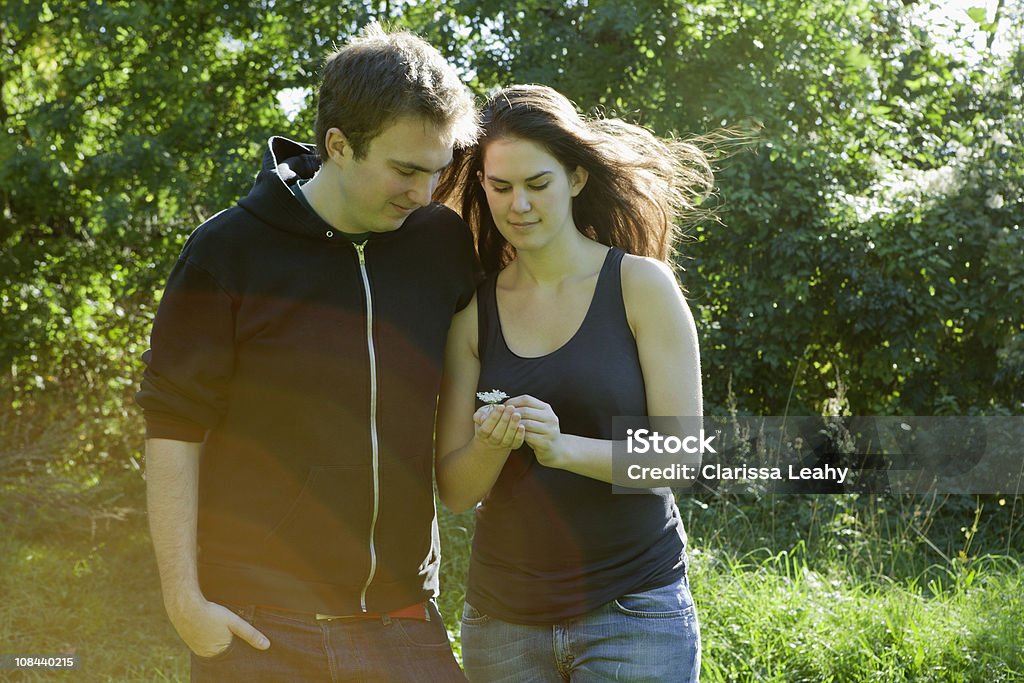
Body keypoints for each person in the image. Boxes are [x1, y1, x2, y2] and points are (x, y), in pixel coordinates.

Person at [136, 25, 478, 682]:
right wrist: (185, 602)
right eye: (405, 170)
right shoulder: (227, 252)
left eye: (436, 171)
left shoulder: (439, 244)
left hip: (404, 620)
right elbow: (173, 428)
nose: (423, 192)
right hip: (261, 626)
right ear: (339, 146)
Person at [434, 85, 713, 682]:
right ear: (481, 185)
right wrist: (489, 445)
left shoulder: (641, 287)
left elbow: (680, 459)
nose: (519, 205)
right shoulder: (472, 314)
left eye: (538, 184)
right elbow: (456, 491)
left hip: (634, 610)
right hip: (502, 621)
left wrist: (563, 449)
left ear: (577, 179)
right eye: (500, 186)